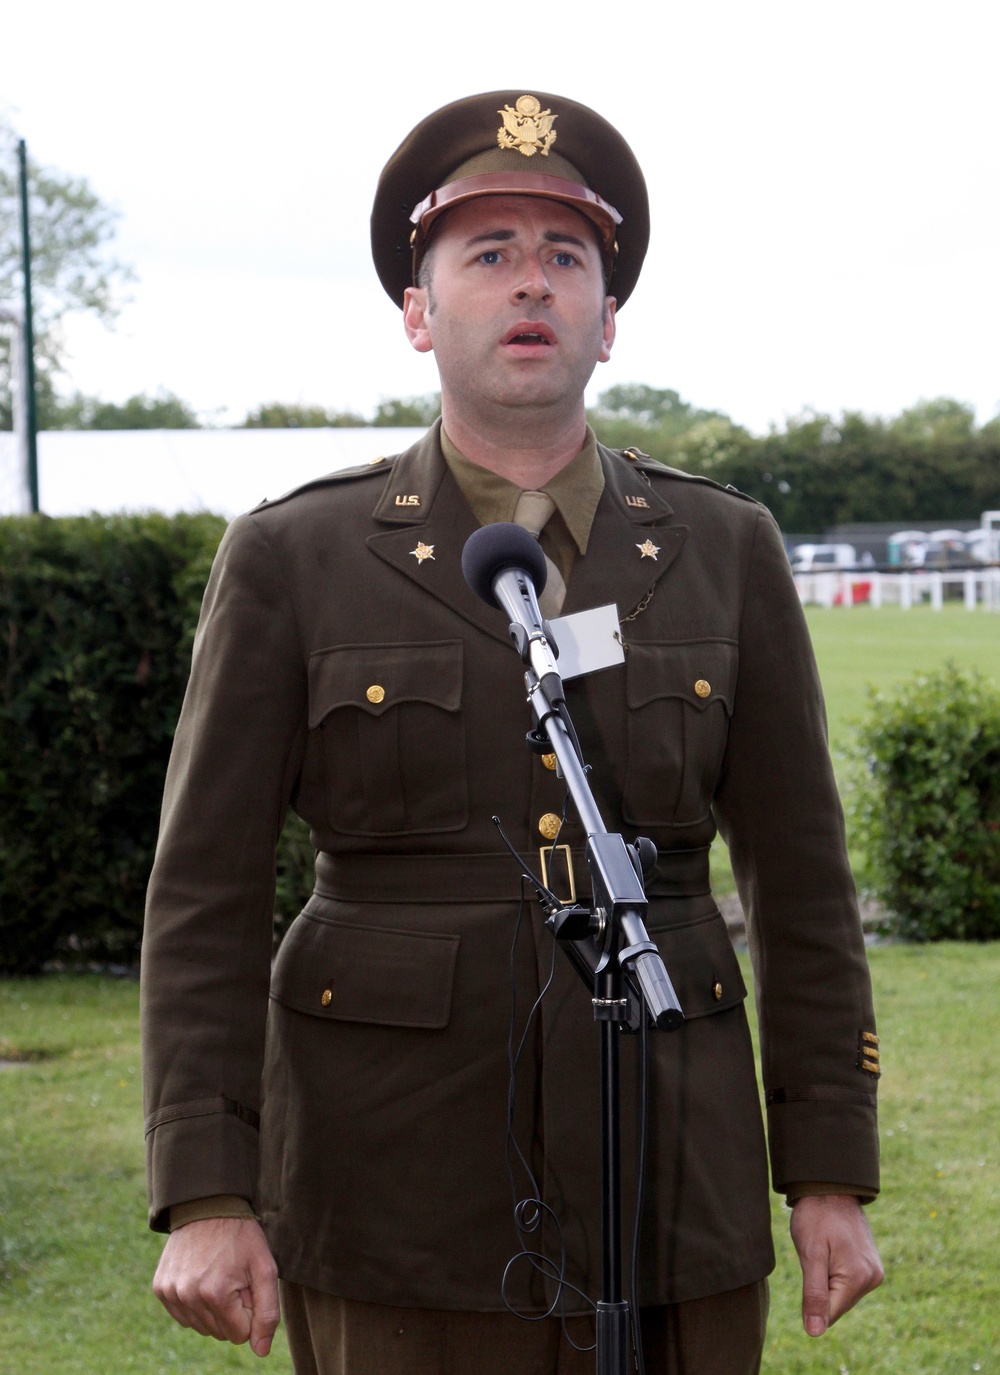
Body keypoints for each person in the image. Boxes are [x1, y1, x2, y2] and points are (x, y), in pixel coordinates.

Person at [142, 90, 883, 1374]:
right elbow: (202, 893)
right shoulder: (294, 555)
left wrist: (827, 1168)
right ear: (419, 313)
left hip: (671, 1171)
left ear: (610, 319)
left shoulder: (722, 548)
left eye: (564, 256)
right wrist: (207, 1190)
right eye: (487, 255)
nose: (528, 283)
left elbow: (805, 887)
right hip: (391, 1184)